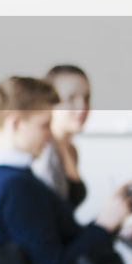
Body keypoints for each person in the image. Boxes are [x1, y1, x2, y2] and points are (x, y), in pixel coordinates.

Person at [0, 76, 132, 264]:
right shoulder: (16, 188)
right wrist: (103, 225)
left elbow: (60, 241)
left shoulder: (0, 179)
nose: (50, 134)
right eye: (45, 125)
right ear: (15, 123)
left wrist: (111, 222)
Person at [32, 64, 90, 209]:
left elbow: (68, 223)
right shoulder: (43, 152)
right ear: (49, 102)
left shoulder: (72, 150)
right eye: (70, 98)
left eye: (87, 98)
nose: (82, 107)